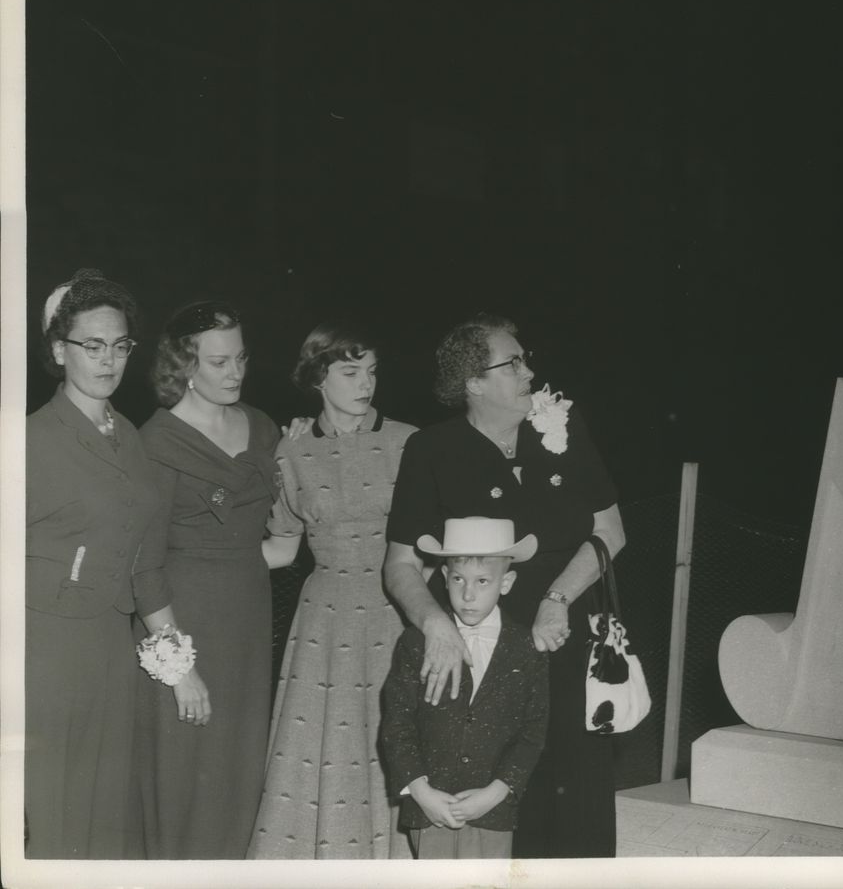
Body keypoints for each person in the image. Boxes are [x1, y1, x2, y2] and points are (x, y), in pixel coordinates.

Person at [385, 313, 627, 858]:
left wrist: (557, 599)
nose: (529, 371)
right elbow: (400, 564)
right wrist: (435, 625)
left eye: (526, 360)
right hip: (485, 650)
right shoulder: (432, 450)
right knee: (497, 796)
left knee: (574, 786)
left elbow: (610, 531)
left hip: (563, 635)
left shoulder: (563, 426)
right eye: (513, 362)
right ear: (473, 382)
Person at [249, 323, 418, 859]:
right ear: (318, 378)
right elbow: (280, 546)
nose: (365, 383)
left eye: (371, 371)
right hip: (325, 620)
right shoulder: (291, 450)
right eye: (349, 372)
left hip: (398, 609)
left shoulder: (410, 441)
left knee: (392, 738)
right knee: (323, 748)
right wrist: (203, 563)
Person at [24, 269, 173, 858]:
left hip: (114, 650)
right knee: (52, 809)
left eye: (120, 345)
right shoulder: (30, 440)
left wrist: (174, 660)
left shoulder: (130, 438)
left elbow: (146, 564)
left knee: (105, 814)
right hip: (47, 652)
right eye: (92, 345)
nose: (108, 359)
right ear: (59, 351)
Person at [130, 300, 280, 858]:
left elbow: (275, 546)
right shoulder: (157, 443)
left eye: (240, 358)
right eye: (218, 363)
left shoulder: (263, 429)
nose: (235, 373)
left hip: (247, 621)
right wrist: (179, 668)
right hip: (182, 625)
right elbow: (143, 567)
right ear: (184, 365)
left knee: (238, 773)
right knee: (184, 773)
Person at [380, 517, 550, 859]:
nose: (468, 594)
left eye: (483, 581)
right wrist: (420, 791)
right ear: (444, 577)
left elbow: (533, 733)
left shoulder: (526, 648)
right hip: (430, 808)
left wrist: (496, 792)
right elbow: (396, 725)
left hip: (493, 809)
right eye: (458, 579)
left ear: (507, 582)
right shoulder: (416, 643)